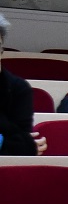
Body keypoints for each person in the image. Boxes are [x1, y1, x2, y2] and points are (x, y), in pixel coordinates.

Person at [0, 13, 46, 154]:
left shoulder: (18, 88)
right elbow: (20, 145)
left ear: (1, 48)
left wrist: (10, 144)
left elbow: (23, 144)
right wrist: (3, 141)